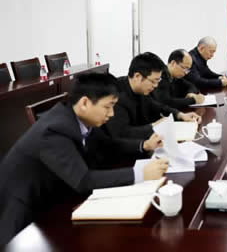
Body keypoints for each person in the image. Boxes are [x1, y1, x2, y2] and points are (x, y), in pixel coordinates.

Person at [0, 73, 167, 245]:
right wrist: (139, 173)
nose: (111, 114)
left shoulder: (79, 117)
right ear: (85, 103)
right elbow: (83, 180)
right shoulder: (54, 130)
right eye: (107, 107)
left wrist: (144, 145)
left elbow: (108, 144)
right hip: (26, 214)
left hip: (59, 194)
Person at [103, 52, 200, 140]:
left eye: (158, 81)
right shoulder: (116, 96)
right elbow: (123, 133)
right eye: (153, 81)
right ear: (137, 76)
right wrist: (155, 126)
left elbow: (156, 106)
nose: (156, 85)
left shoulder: (141, 89)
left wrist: (180, 115)